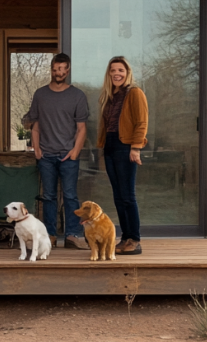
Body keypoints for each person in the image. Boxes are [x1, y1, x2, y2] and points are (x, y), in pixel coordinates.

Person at [22, 52, 90, 250]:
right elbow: (35, 124)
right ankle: (49, 235)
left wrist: (75, 151)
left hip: (68, 156)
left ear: (68, 71)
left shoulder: (77, 95)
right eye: (55, 69)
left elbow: (82, 128)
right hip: (46, 156)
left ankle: (72, 235)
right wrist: (36, 149)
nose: (58, 72)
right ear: (51, 69)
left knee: (70, 196)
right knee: (49, 197)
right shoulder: (40, 94)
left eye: (62, 69)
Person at [96, 56, 149, 255]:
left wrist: (135, 148)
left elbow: (141, 122)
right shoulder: (109, 96)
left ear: (127, 73)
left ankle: (134, 239)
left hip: (125, 147)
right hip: (110, 147)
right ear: (109, 74)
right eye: (113, 70)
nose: (116, 74)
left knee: (128, 196)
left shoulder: (134, 93)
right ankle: (125, 237)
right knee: (118, 197)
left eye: (120, 70)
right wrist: (102, 147)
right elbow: (106, 126)